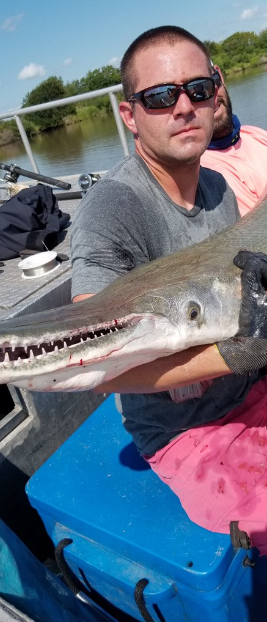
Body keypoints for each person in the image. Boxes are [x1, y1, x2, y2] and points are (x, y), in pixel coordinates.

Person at [70, 26, 267, 554]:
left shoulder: (219, 185)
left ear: (217, 92)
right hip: (189, 431)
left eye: (198, 89)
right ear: (128, 114)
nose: (184, 107)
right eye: (160, 97)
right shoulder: (112, 210)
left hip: (251, 390)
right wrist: (237, 354)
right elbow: (92, 364)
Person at [201, 66, 267, 216]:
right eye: (197, 91)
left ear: (221, 76)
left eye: (212, 81)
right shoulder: (208, 175)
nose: (211, 96)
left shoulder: (252, 133)